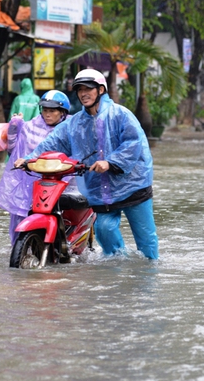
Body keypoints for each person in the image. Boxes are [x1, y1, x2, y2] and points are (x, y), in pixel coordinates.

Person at [14, 69, 158, 260]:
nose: (83, 93)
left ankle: (149, 275)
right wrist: (30, 159)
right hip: (101, 191)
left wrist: (111, 162)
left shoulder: (120, 114)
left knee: (146, 240)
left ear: (100, 90)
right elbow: (52, 143)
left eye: (88, 89)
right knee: (104, 230)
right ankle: (120, 272)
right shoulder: (74, 124)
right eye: (80, 89)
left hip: (134, 186)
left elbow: (134, 142)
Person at [0, 90, 72, 245]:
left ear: (62, 112)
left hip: (63, 179)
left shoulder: (71, 128)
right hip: (31, 180)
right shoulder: (30, 127)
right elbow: (14, 149)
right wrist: (14, 126)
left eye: (52, 111)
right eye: (45, 110)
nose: (47, 114)